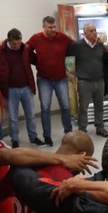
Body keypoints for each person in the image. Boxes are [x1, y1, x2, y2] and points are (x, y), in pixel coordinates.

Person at [25, 16, 75, 147]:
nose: (53, 29)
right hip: (44, 79)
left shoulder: (62, 37)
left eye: (54, 27)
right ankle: (47, 136)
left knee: (65, 106)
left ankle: (68, 132)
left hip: (61, 78)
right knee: (45, 108)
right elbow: (26, 49)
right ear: (43, 27)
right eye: (50, 27)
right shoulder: (36, 38)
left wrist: (69, 65)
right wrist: (36, 61)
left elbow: (73, 46)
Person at [0, 29, 42, 148]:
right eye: (14, 44)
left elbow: (36, 61)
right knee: (13, 117)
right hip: (10, 89)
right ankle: (14, 139)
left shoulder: (25, 49)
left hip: (26, 87)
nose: (17, 46)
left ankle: (33, 137)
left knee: (30, 115)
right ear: (8, 41)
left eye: (19, 43)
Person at [70, 23, 108, 138]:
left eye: (95, 30)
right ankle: (82, 130)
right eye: (91, 31)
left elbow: (106, 59)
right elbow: (69, 59)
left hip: (99, 80)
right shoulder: (77, 45)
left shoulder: (100, 45)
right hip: (84, 81)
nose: (94, 32)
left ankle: (100, 127)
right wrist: (72, 75)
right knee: (83, 108)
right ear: (85, 33)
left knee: (99, 106)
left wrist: (106, 49)